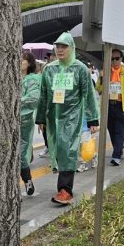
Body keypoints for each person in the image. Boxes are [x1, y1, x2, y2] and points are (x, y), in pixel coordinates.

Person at [35, 32, 99, 206]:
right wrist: (40, 117)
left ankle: (65, 190)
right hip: (52, 117)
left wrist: (93, 119)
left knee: (68, 151)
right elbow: (43, 94)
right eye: (58, 46)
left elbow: (88, 96)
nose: (60, 49)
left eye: (64, 46)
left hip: (72, 117)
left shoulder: (80, 69)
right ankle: (62, 186)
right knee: (56, 150)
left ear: (72, 48)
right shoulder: (50, 69)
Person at [96, 49, 124, 166]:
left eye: (117, 58)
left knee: (119, 131)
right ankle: (118, 150)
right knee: (111, 130)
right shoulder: (105, 73)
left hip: (121, 106)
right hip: (108, 106)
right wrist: (101, 78)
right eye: (112, 58)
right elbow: (98, 90)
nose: (114, 61)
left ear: (121, 59)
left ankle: (116, 155)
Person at [20, 52, 41, 194]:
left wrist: (15, 101)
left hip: (24, 120)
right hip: (8, 121)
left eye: (23, 59)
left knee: (20, 153)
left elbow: (33, 97)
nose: (20, 61)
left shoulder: (32, 79)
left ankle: (27, 180)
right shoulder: (11, 77)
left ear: (29, 63)